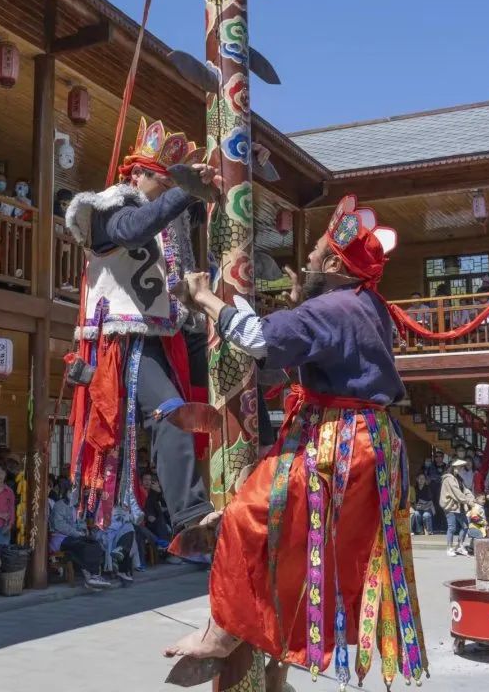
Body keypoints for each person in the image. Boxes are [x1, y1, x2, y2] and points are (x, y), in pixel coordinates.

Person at [163, 194, 427, 689]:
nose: (302, 259)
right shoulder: (365, 305)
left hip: (341, 442)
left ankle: (225, 635)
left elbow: (261, 340)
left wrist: (203, 297)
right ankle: (276, 665)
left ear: (331, 263)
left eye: (314, 252)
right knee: (299, 546)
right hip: (362, 441)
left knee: (249, 518)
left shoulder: (331, 308)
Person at [64, 117, 217, 541]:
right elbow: (133, 231)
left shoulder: (167, 220)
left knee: (233, 386)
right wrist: (185, 192)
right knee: (172, 413)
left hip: (172, 335)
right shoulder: (107, 208)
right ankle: (190, 514)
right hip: (126, 341)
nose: (167, 194)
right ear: (136, 174)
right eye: (163, 184)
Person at [49, 481, 111, 590]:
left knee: (95, 543)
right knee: (83, 546)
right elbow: (59, 525)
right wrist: (77, 533)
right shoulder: (60, 505)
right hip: (61, 538)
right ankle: (90, 576)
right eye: (71, 491)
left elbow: (81, 522)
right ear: (66, 491)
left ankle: (94, 575)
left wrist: (84, 531)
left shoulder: (79, 506)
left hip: (76, 536)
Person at [441, 459, 475, 556]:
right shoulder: (448, 479)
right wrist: (468, 501)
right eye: (458, 467)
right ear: (453, 467)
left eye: (461, 467)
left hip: (459, 507)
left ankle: (460, 546)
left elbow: (465, 490)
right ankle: (449, 548)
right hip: (450, 506)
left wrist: (472, 498)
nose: (460, 468)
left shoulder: (458, 478)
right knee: (452, 528)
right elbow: (457, 493)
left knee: (465, 526)